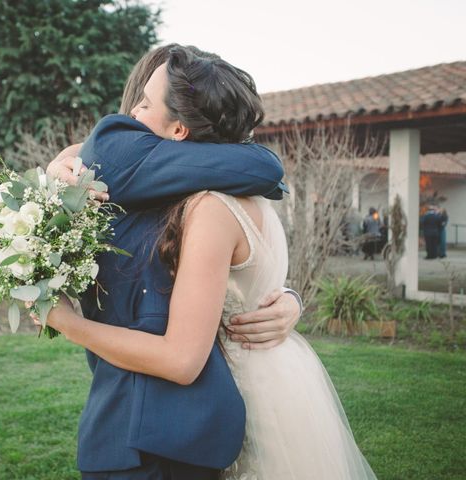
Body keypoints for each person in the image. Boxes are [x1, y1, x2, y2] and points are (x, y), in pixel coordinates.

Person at [41, 47, 376, 479]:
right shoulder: (165, 188)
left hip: (192, 413)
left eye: (144, 104)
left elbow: (186, 351)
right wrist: (62, 164)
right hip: (220, 402)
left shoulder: (210, 203)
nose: (128, 119)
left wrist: (64, 321)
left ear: (181, 127)